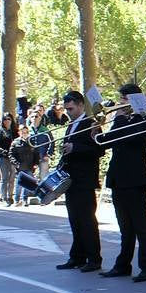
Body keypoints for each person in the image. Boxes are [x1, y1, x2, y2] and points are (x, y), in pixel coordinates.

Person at [99, 85, 146, 283]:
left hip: (135, 180)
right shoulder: (120, 120)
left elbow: (135, 139)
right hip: (118, 178)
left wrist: (121, 118)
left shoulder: (144, 120)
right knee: (125, 227)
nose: (120, 103)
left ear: (133, 100)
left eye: (123, 99)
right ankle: (122, 265)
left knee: (142, 226)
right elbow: (106, 141)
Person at [57, 91, 106, 272]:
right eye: (66, 109)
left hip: (84, 179)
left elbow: (98, 149)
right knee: (75, 219)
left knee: (86, 220)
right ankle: (77, 256)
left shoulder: (91, 123)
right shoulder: (71, 125)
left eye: (71, 108)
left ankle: (94, 258)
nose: (68, 112)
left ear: (80, 105)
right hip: (72, 178)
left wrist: (75, 147)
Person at [9, 125, 40, 206]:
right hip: (20, 167)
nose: (25, 134)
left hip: (29, 166)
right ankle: (16, 200)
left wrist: (36, 163)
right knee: (19, 184)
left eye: (26, 132)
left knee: (27, 183)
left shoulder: (32, 141)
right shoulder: (15, 142)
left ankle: (24, 200)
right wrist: (16, 164)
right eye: (23, 132)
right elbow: (11, 155)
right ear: (19, 132)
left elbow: (36, 153)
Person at [0, 114, 17, 205]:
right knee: (4, 177)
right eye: (5, 119)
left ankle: (10, 196)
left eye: (9, 119)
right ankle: (4, 197)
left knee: (12, 177)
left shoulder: (15, 131)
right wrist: (4, 152)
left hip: (13, 157)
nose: (7, 121)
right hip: (3, 157)